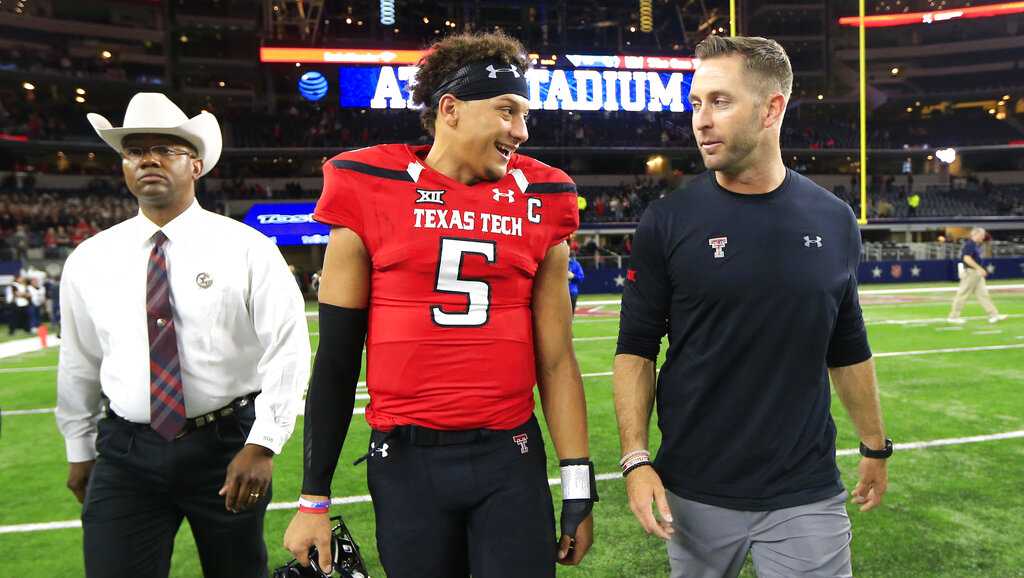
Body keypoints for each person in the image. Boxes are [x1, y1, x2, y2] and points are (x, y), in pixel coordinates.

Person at [284, 31, 597, 578]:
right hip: (406, 462)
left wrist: (577, 485)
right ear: (449, 109)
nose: (521, 132)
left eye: (524, 114)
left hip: (509, 457)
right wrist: (313, 499)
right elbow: (335, 363)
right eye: (506, 111)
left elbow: (556, 360)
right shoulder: (369, 185)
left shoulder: (545, 197)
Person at [613, 36, 891, 578]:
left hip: (805, 488)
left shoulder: (833, 219)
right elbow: (636, 349)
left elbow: (847, 344)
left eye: (719, 101)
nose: (701, 120)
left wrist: (875, 446)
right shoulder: (667, 221)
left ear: (772, 108)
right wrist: (636, 459)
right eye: (696, 104)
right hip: (694, 488)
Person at [56, 93, 311, 578]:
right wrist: (79, 447)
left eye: (166, 149)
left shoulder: (248, 249)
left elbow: (289, 348)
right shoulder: (89, 259)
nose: (147, 158)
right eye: (135, 150)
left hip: (225, 445)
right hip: (125, 451)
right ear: (124, 166)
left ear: (196, 164)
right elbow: (79, 361)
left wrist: (263, 445)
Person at [947, 227, 1008, 324]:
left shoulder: (975, 245)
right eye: (982, 235)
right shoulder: (970, 244)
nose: (983, 237)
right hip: (971, 273)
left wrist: (979, 270)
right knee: (962, 294)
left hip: (976, 273)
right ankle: (953, 317)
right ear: (976, 234)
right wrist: (979, 268)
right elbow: (966, 259)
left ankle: (994, 315)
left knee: (983, 295)